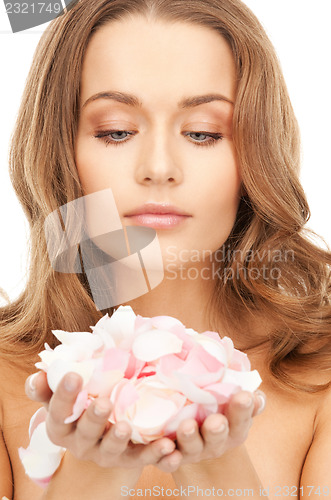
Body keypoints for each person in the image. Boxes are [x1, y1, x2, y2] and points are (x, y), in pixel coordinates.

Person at [1, 0, 331, 498]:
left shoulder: (321, 377)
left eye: (202, 133)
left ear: (256, 154)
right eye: (116, 131)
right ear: (59, 151)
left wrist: (220, 470)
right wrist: (94, 474)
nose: (159, 167)